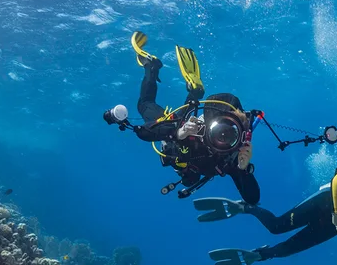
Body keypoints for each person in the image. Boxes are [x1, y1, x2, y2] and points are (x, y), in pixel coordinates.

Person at [195, 138, 337, 265]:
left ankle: (258, 255)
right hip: (326, 203)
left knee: (289, 249)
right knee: (276, 227)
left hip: (336, 226)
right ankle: (246, 207)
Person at [103, 32, 260, 204]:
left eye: (229, 135)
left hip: (182, 129)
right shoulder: (199, 133)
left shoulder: (232, 157)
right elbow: (143, 132)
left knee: (159, 107)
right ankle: (152, 66)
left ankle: (192, 89)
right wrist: (178, 132)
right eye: (221, 130)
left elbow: (252, 198)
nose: (222, 137)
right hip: (182, 128)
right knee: (145, 104)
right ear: (210, 124)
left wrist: (244, 169)